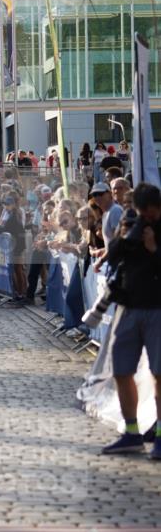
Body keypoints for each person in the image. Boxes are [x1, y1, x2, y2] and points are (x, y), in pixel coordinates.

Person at [100, 183, 161, 459]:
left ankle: (160, 435)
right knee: (122, 370)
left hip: (157, 308)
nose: (147, 218)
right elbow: (112, 257)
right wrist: (124, 235)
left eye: (150, 214)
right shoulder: (130, 223)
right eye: (142, 213)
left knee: (159, 374)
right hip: (128, 306)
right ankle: (132, 433)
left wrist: (153, 248)